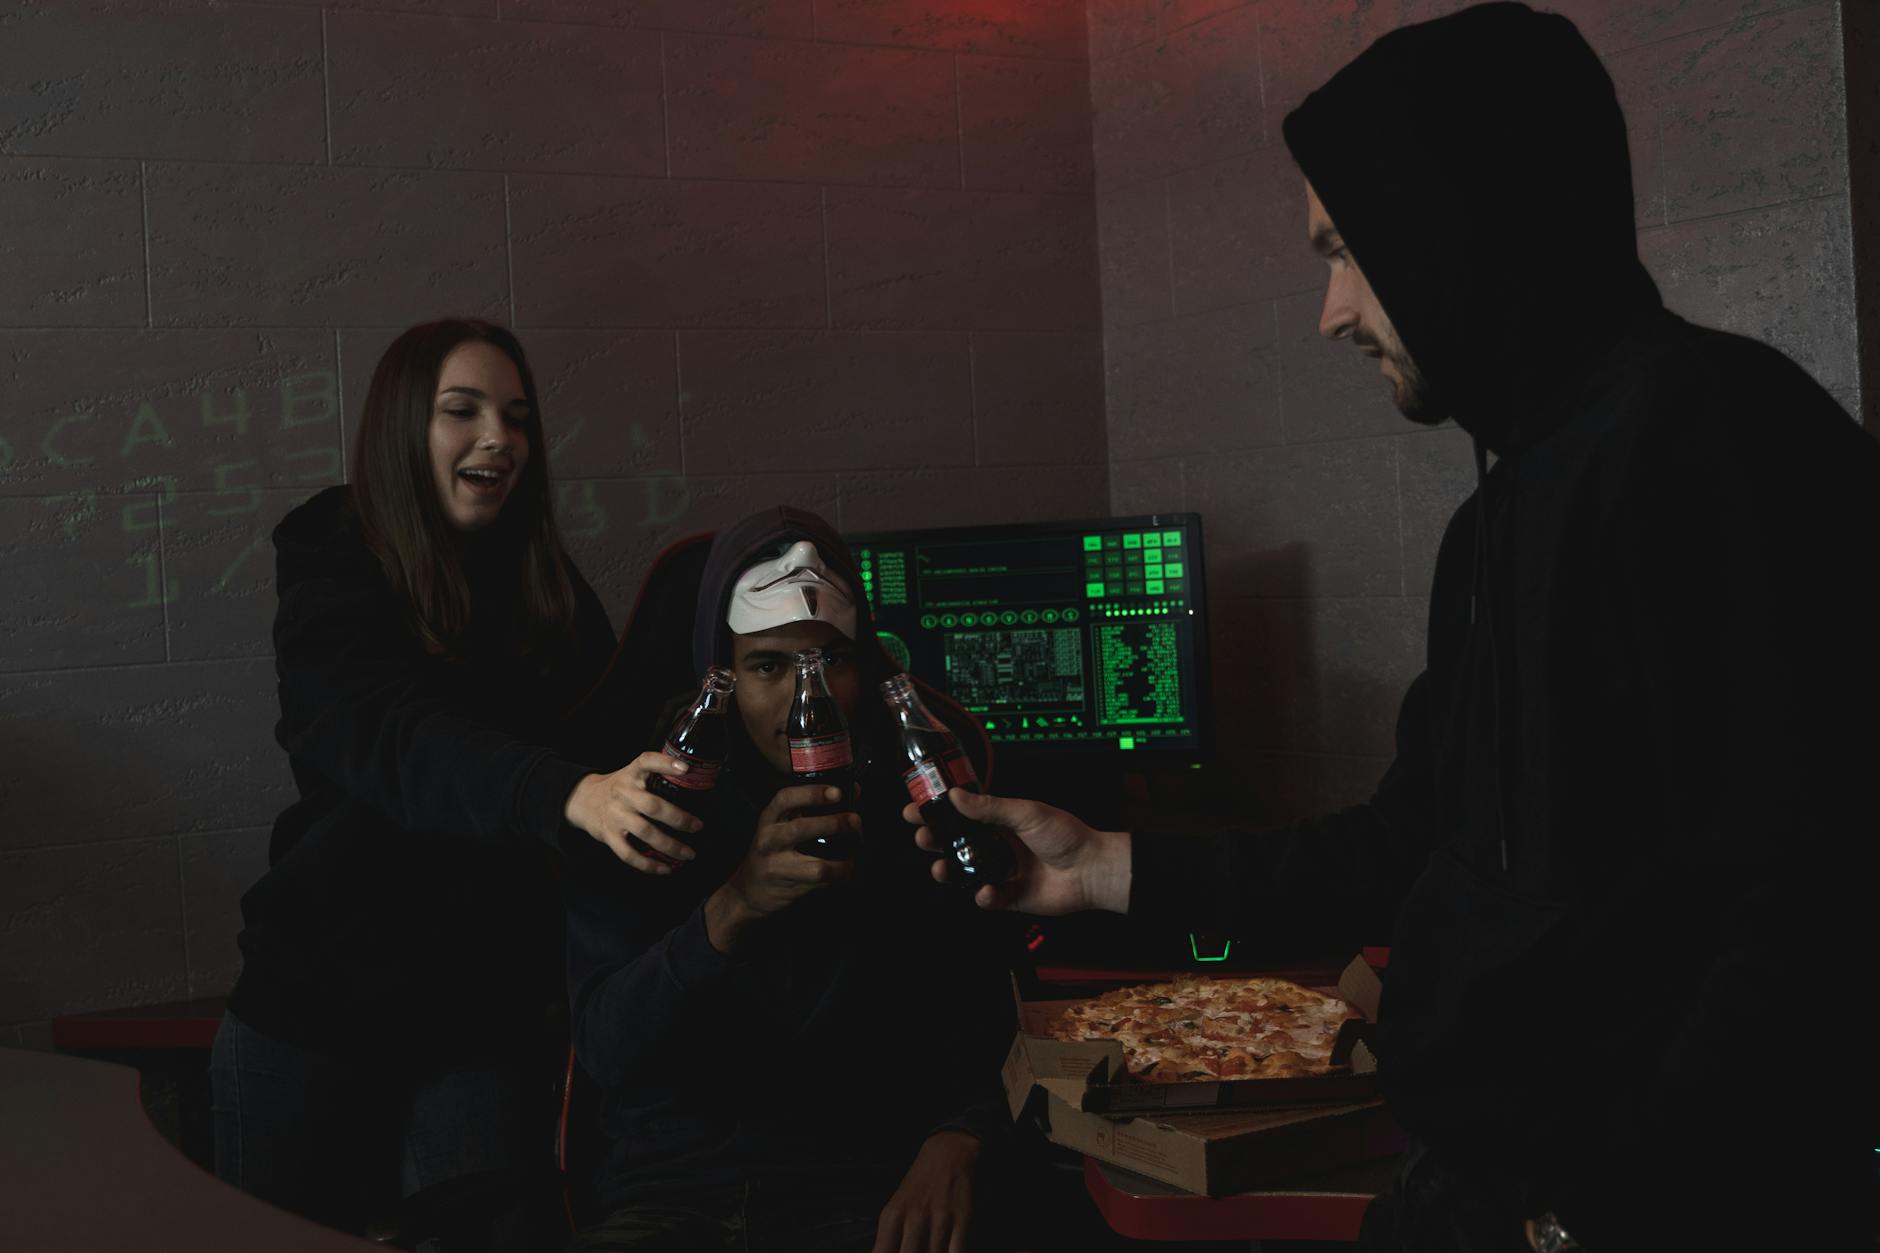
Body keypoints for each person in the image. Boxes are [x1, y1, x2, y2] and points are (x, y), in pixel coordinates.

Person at [907, 5, 1879, 1249]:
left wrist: (1591, 1207)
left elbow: (1809, 908)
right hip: (1468, 1196)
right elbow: (1407, 840)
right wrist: (1093, 863)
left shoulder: (1721, 440)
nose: (1329, 313)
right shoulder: (1497, 518)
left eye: (1342, 252)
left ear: (1452, 226)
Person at [211, 319, 690, 1237]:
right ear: (403, 428)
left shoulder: (542, 578)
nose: (497, 439)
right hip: (315, 1007)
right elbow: (393, 736)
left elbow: (617, 725)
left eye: (515, 418)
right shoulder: (332, 549)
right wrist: (565, 793)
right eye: (461, 411)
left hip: (479, 1015)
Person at [561, 506, 1015, 1253]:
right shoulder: (644, 804)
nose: (811, 704)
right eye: (769, 667)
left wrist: (960, 1137)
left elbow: (996, 1014)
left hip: (862, 1189)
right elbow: (607, 1048)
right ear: (723, 673)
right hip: (673, 1193)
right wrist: (732, 909)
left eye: (830, 661)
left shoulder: (920, 807)